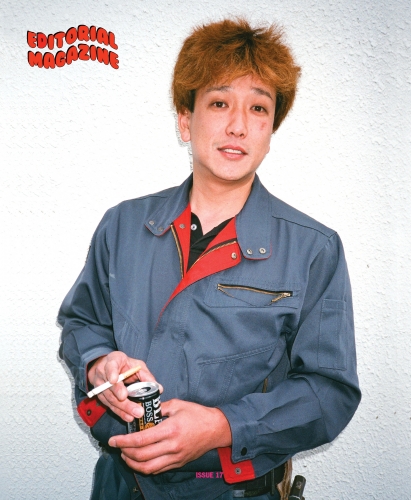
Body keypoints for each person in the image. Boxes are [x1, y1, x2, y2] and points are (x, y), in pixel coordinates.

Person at [58, 18, 361, 500]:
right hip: (119, 487)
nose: (238, 125)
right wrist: (98, 364)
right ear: (185, 120)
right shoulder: (122, 225)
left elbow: (330, 393)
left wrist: (223, 426)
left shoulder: (314, 249)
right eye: (219, 102)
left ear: (270, 130)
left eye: (258, 108)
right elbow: (82, 322)